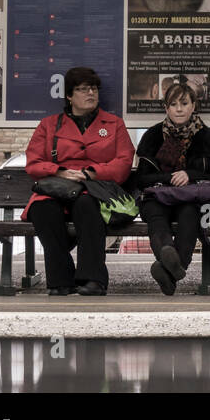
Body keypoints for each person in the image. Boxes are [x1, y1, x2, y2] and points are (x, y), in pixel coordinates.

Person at [23, 67, 133, 296]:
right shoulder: (48, 125)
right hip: (55, 188)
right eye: (82, 89)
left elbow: (123, 163)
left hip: (92, 188)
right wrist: (60, 171)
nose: (90, 93)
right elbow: (33, 164)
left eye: (93, 88)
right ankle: (60, 281)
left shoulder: (114, 124)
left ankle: (93, 279)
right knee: (42, 210)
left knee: (87, 206)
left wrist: (90, 173)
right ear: (70, 96)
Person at [134, 82, 210, 296]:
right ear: (166, 108)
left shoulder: (206, 137)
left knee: (189, 215)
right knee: (155, 215)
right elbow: (141, 179)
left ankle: (167, 267)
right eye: (173, 104)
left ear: (193, 106)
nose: (179, 109)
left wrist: (190, 175)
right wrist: (169, 178)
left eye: (184, 103)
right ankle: (169, 256)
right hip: (158, 197)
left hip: (192, 199)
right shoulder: (154, 135)